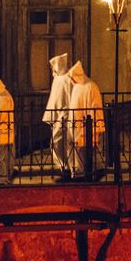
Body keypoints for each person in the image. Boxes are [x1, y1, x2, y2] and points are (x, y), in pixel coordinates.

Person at [66, 60, 105, 181]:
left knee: (90, 148)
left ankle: (94, 170)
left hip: (85, 123)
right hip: (76, 123)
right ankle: (79, 171)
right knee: (77, 148)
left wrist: (93, 124)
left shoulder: (90, 86)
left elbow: (95, 106)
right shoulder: (77, 86)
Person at [43, 53, 74, 181]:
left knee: (62, 142)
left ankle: (66, 168)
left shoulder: (66, 79)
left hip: (64, 116)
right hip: (59, 116)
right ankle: (63, 167)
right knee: (57, 143)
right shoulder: (59, 79)